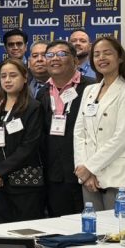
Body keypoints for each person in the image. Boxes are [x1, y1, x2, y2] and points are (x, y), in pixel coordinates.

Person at [74, 38, 125, 210]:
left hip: (117, 175)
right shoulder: (90, 90)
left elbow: (122, 137)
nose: (101, 58)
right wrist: (83, 170)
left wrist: (90, 167)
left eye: (107, 53)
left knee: (119, 233)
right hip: (89, 178)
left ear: (120, 58)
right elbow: (79, 132)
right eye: (96, 54)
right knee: (93, 231)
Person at [0, 60, 44, 223]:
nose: (7, 80)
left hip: (23, 184)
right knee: (0, 230)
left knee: (24, 230)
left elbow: (28, 146)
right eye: (3, 76)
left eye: (13, 75)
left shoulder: (33, 107)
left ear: (25, 77)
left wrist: (1, 171)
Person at [41, 40, 95, 217]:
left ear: (75, 60)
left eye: (62, 54)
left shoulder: (91, 87)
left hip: (84, 170)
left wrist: (92, 167)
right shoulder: (42, 92)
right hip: (53, 174)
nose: (55, 58)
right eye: (50, 55)